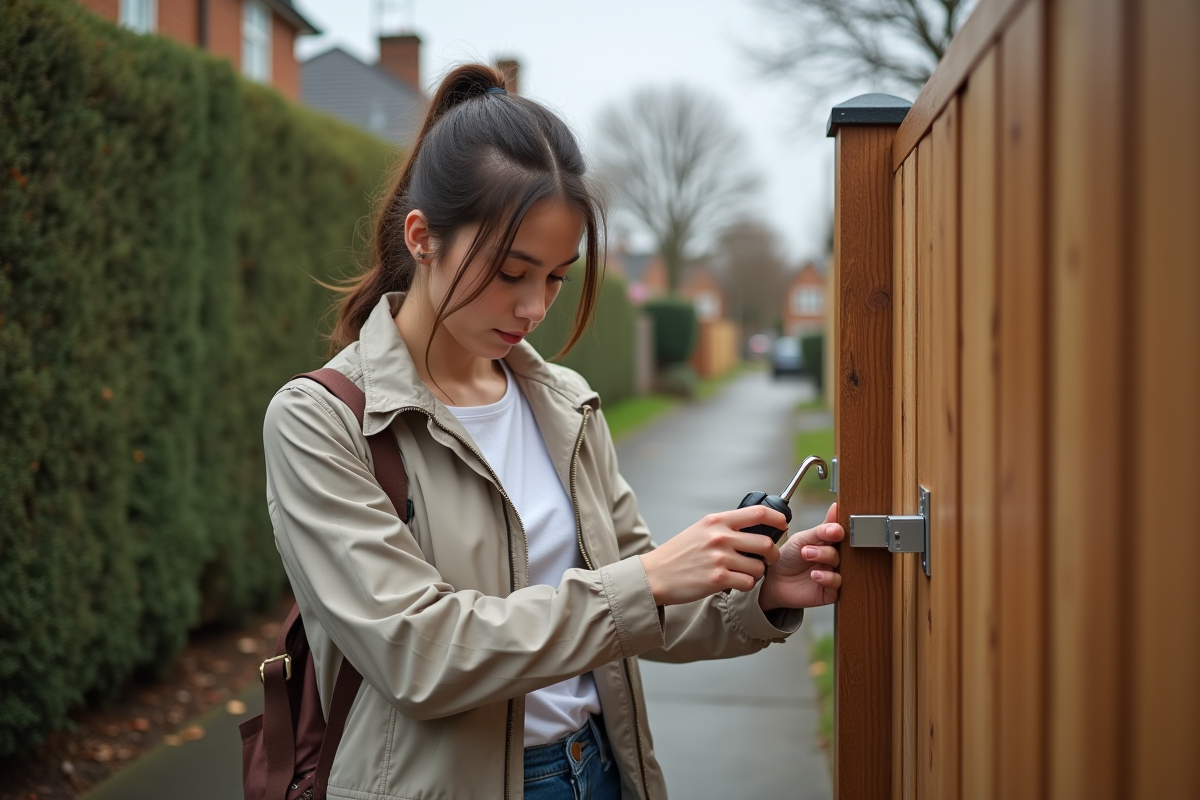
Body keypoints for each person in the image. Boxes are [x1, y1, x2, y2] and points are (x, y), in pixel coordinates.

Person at [262, 63, 844, 800]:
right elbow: (418, 653)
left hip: (598, 771)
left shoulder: (562, 403)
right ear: (421, 238)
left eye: (556, 277)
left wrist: (761, 592)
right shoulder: (322, 421)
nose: (535, 307)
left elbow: (643, 604)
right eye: (512, 272)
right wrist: (648, 579)